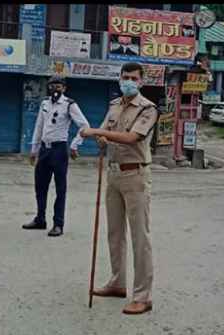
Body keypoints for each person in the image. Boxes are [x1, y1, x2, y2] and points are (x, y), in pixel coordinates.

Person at [80, 62, 159, 315]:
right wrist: (100, 138)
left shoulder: (148, 109)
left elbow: (131, 138)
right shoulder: (114, 105)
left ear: (141, 81)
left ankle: (143, 296)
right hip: (113, 173)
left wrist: (96, 132)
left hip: (135, 174)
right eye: (125, 77)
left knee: (140, 237)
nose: (128, 81)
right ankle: (117, 282)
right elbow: (107, 132)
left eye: (133, 78)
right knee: (114, 233)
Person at [23, 75, 91, 237]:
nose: (55, 89)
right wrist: (34, 149)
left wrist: (75, 145)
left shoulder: (69, 104)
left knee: (60, 189)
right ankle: (40, 219)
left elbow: (84, 125)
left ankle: (58, 224)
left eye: (58, 86)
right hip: (45, 150)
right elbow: (39, 126)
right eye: (52, 86)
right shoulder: (44, 103)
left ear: (64, 88)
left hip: (59, 150)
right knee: (40, 187)